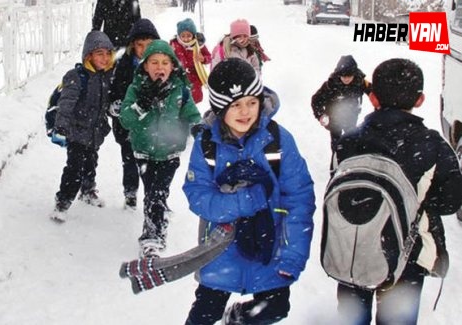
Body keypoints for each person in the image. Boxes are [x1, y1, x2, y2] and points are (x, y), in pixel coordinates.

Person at [182, 58, 315, 325]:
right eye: (235, 105)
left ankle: (238, 319)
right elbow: (197, 195)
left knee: (275, 308)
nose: (245, 112)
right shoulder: (208, 145)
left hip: (269, 248)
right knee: (203, 316)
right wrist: (243, 202)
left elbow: (300, 199)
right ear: (220, 108)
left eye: (251, 102)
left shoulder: (278, 141)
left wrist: (293, 254)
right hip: (220, 250)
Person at [334, 58, 462, 325]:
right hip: (407, 253)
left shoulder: (349, 142)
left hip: (354, 246)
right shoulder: (431, 144)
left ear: (374, 98)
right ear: (420, 100)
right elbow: (451, 200)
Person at [119, 39, 201, 257]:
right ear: (145, 66)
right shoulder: (135, 89)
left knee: (157, 192)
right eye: (154, 62)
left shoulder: (180, 90)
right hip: (143, 152)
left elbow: (191, 114)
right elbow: (125, 119)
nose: (159, 67)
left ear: (173, 66)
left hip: (170, 152)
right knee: (152, 192)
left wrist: (199, 129)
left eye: (165, 62)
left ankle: (153, 234)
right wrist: (141, 105)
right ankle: (154, 232)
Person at [49, 31, 115, 222]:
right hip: (76, 132)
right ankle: (62, 202)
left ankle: (87, 191)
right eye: (99, 53)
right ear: (89, 56)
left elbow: (107, 102)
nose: (104, 58)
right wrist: (60, 127)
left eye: (107, 54)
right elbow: (66, 103)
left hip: (95, 132)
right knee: (74, 169)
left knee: (91, 163)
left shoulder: (106, 76)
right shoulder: (77, 76)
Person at [109, 18, 160, 210]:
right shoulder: (123, 66)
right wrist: (115, 106)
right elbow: (114, 90)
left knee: (152, 164)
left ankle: (155, 198)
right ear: (133, 45)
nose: (145, 50)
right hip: (129, 125)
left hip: (151, 126)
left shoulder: (160, 64)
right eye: (140, 45)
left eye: (149, 45)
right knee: (129, 160)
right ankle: (130, 192)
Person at [311, 55, 371, 171]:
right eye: (343, 76)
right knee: (336, 145)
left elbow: (373, 92)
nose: (346, 79)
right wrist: (320, 115)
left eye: (349, 76)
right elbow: (316, 100)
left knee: (352, 142)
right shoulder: (330, 85)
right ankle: (334, 169)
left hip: (351, 118)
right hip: (334, 121)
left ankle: (351, 167)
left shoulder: (360, 82)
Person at [169, 18, 211, 104]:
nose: (186, 39)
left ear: (193, 35)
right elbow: (168, 56)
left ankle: (192, 112)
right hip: (179, 76)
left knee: (195, 99)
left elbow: (209, 57)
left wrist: (203, 59)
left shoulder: (198, 45)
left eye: (188, 36)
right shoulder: (174, 44)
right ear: (179, 35)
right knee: (180, 99)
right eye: (183, 36)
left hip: (194, 76)